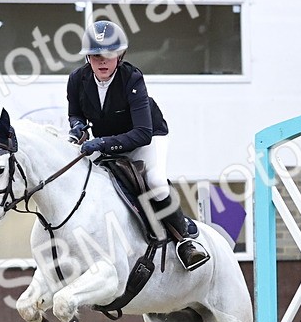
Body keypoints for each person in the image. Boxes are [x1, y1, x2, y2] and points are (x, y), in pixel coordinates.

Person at [67, 20, 209, 271]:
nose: (102, 61)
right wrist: (78, 127)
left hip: (148, 135)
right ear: (88, 57)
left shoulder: (132, 78)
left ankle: (185, 240)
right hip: (107, 139)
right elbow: (76, 113)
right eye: (96, 55)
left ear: (120, 55)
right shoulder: (77, 79)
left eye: (109, 55)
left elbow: (142, 133)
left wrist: (100, 142)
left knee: (154, 181)